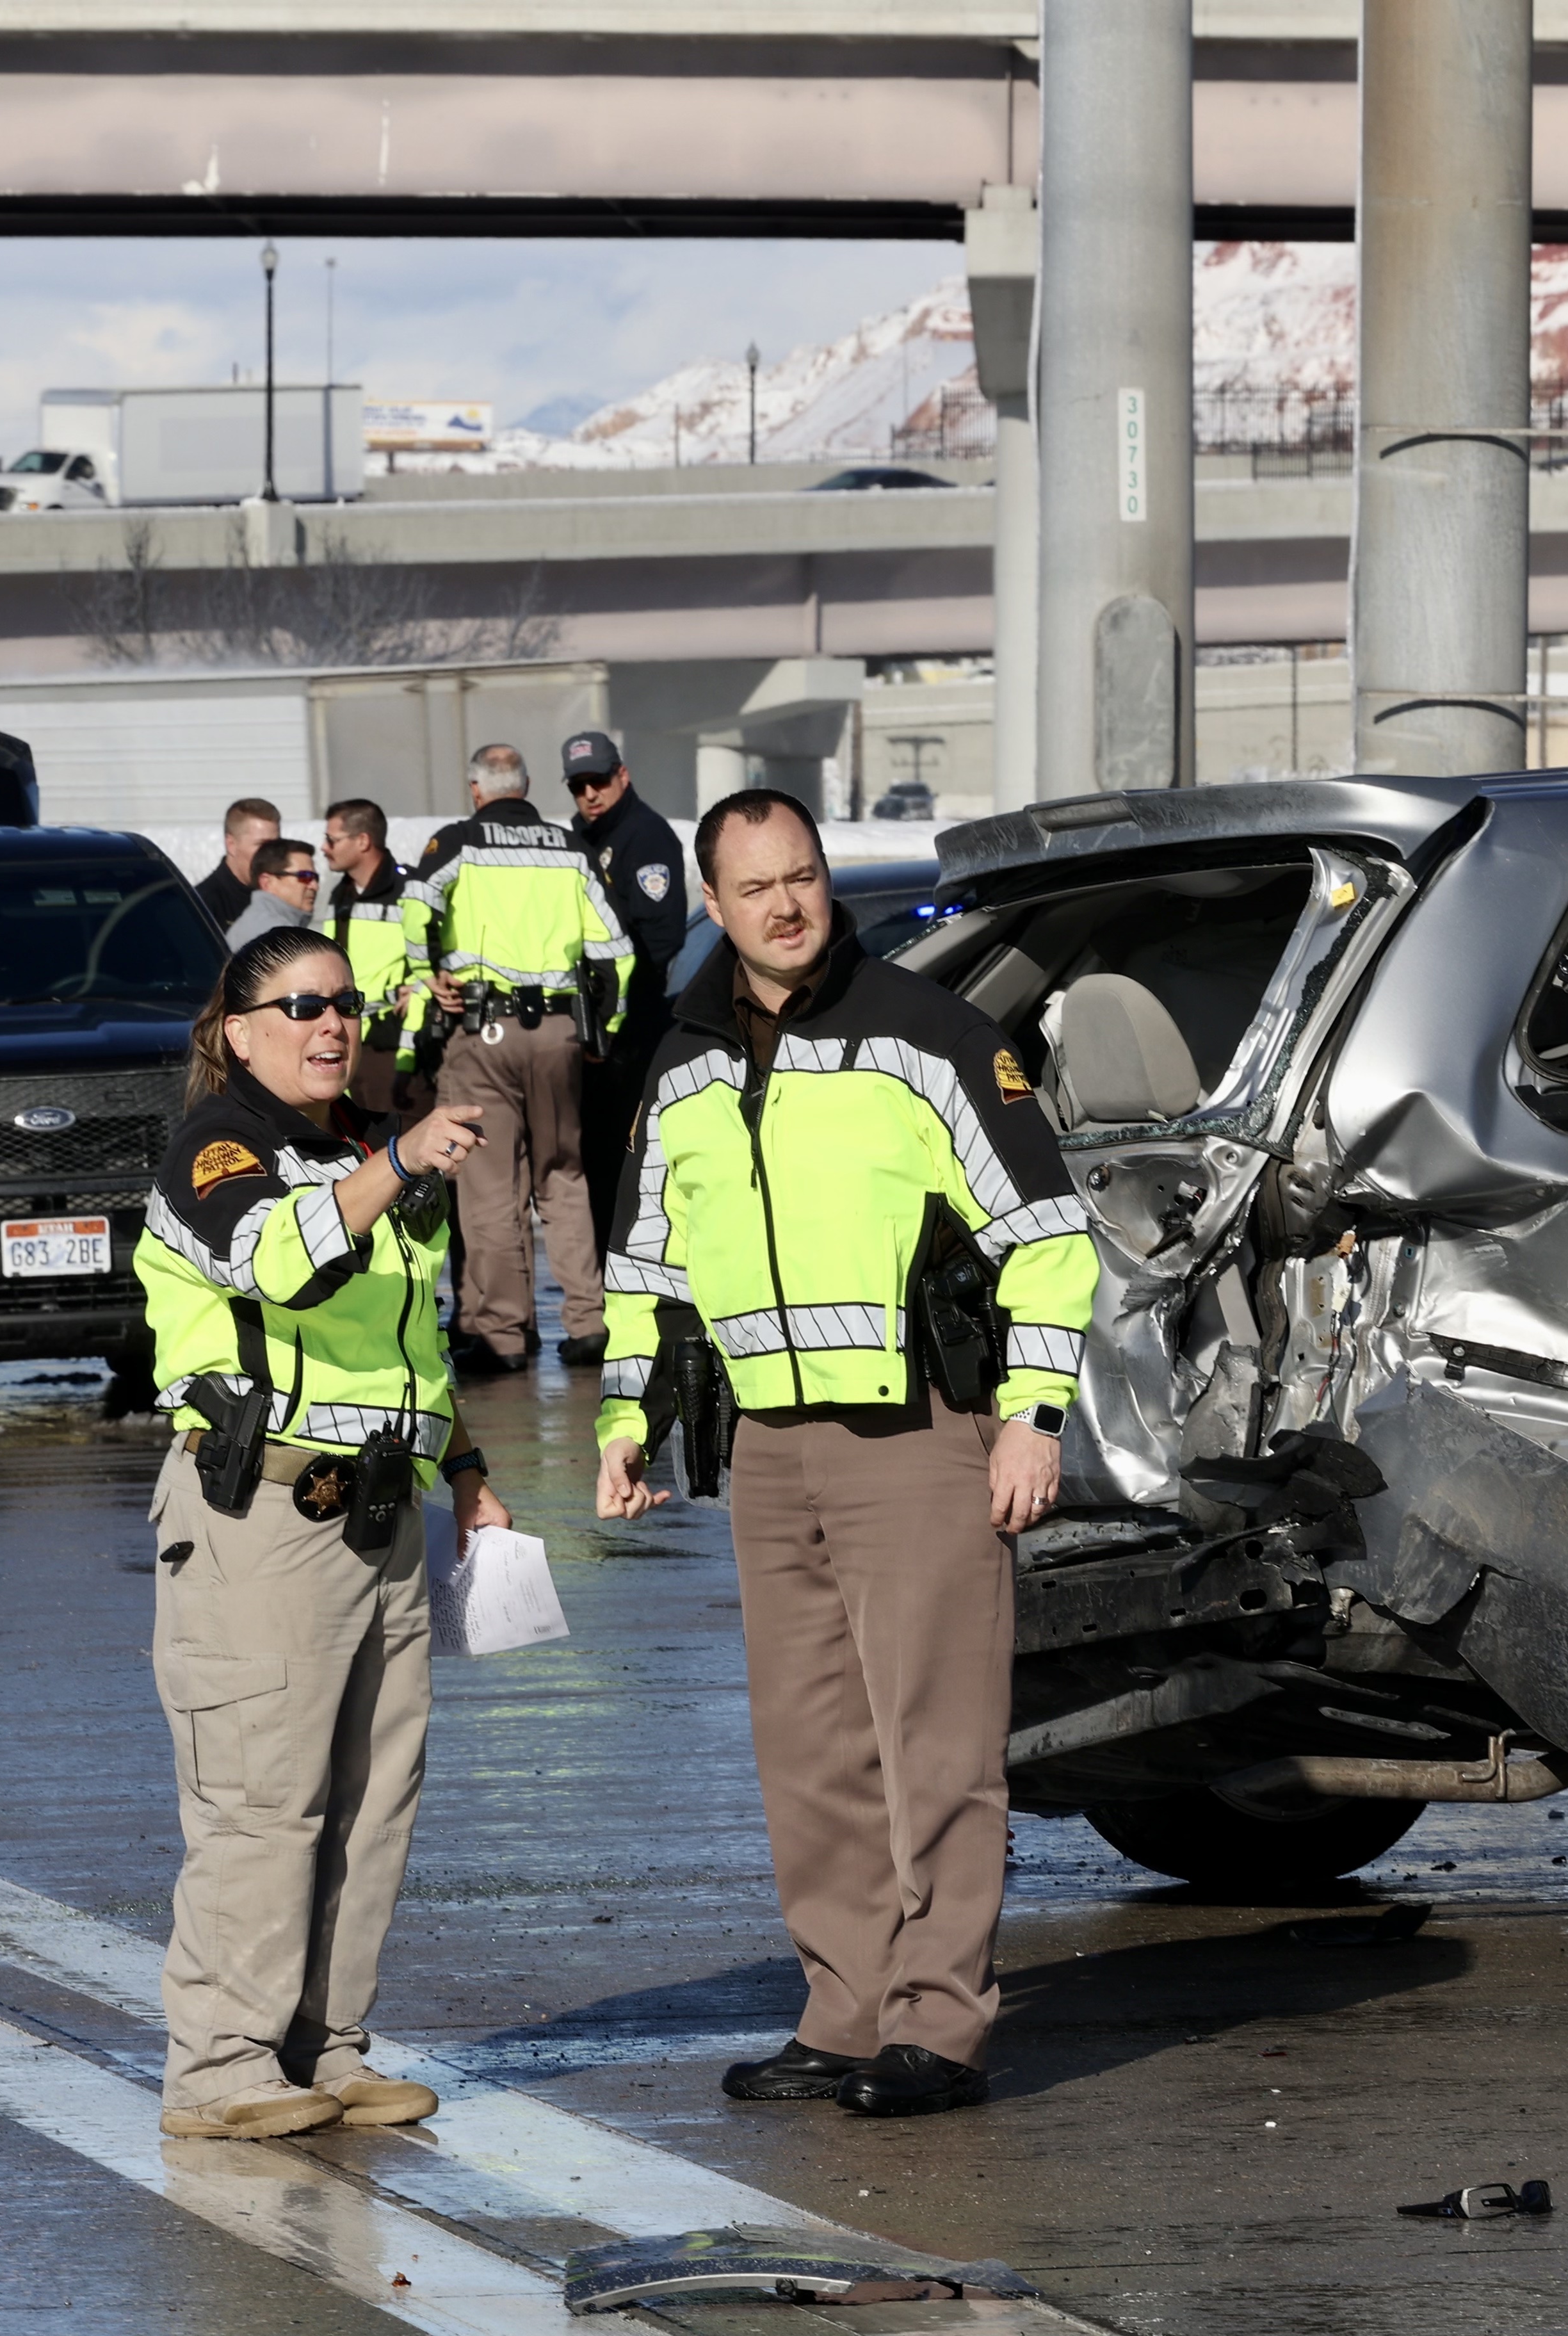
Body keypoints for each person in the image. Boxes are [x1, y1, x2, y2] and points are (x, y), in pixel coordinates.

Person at [592, 790, 1096, 2121]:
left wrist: (1034, 1416)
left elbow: (1048, 1236)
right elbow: (645, 1265)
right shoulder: (684, 1058)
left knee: (937, 1746)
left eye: (803, 875)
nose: (786, 905)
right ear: (712, 905)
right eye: (756, 886)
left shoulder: (930, 1035)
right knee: (809, 1750)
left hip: (918, 1434)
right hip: (768, 1446)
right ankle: (847, 2009)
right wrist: (628, 1418)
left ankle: (938, 2025)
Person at [135, 924, 506, 2141]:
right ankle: (220, 2067)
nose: (331, 1023)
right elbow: (277, 1264)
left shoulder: (357, 1150)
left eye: (343, 1002)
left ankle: (323, 2046)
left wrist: (468, 1471)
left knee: (370, 1800)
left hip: (385, 1511)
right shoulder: (218, 1148)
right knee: (261, 1800)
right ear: (239, 1033)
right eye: (299, 1005)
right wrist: (397, 1159)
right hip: (261, 1513)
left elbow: (412, 1347)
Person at [404, 742, 632, 1375]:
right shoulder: (571, 848)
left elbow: (416, 905)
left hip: (483, 1030)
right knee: (564, 1178)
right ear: (527, 787)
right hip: (559, 1032)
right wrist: (603, 1032)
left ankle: (504, 1334)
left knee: (490, 1187)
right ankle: (587, 1323)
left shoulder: (457, 843)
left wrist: (427, 976)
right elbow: (617, 949)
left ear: (476, 790)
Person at [564, 732, 689, 1241]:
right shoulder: (579, 837)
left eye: (598, 781)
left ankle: (623, 1262)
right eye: (579, 786)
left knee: (623, 1163)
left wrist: (613, 995)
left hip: (632, 1026)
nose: (590, 794)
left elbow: (662, 936)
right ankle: (601, 1263)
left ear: (622, 775)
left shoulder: (646, 836)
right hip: (592, 1027)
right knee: (593, 1162)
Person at [319, 798, 418, 1117]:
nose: (324, 848)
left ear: (363, 841)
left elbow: (442, 952)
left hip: (394, 1045)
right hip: (345, 1036)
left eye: (332, 840)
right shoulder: (340, 893)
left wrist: (420, 988)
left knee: (396, 1137)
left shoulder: (411, 889)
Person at [195, 797, 286, 932]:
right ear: (231, 844)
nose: (272, 854)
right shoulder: (203, 907)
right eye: (262, 845)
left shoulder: (283, 897)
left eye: (276, 845)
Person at [220, 835, 323, 950]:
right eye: (305, 877)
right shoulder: (276, 936)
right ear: (267, 883)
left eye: (315, 878)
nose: (315, 886)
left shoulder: (257, 923)